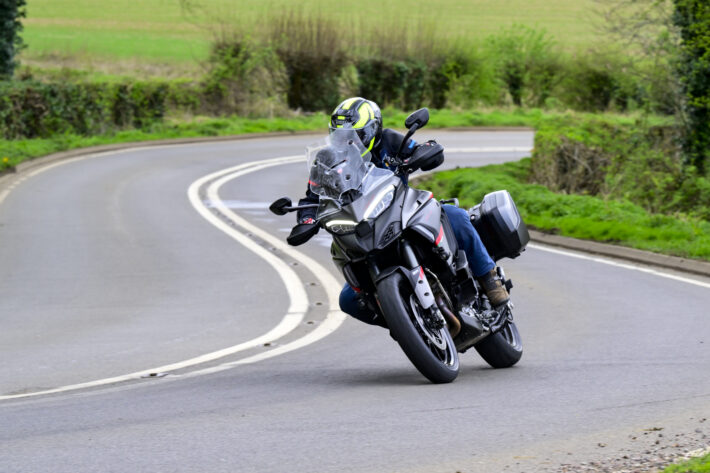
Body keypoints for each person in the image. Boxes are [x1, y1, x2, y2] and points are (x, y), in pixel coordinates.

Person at [294, 97, 509, 327]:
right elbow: (312, 198)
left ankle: (489, 278)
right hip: (361, 228)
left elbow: (418, 150)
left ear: (372, 129)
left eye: (355, 135)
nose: (348, 142)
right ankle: (406, 325)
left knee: (454, 215)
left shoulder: (389, 140)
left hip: (402, 211)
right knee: (348, 300)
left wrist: (426, 152)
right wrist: (307, 219)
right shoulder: (326, 159)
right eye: (340, 136)